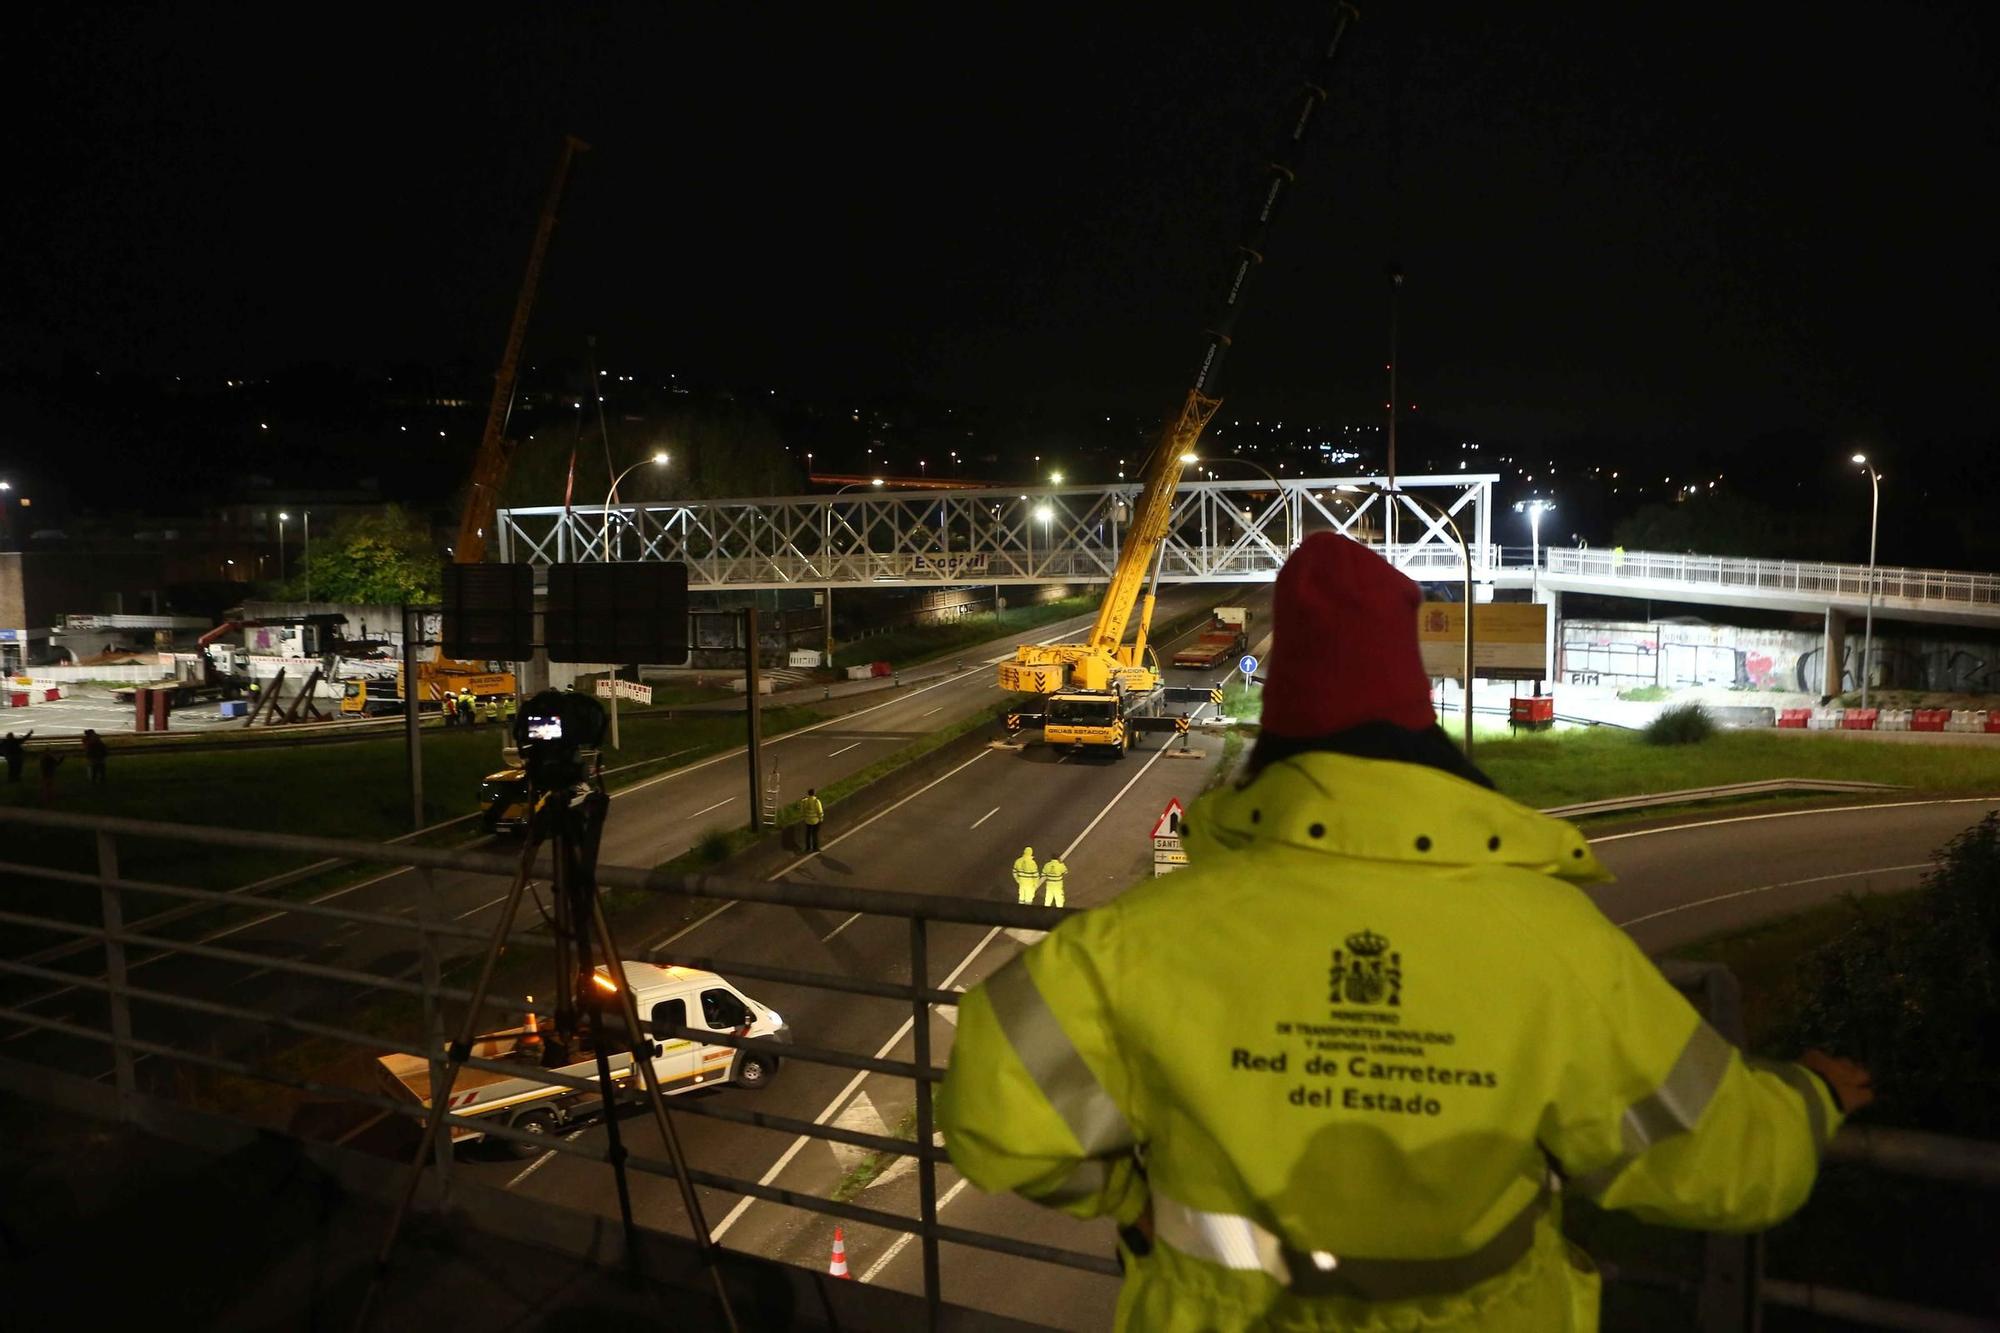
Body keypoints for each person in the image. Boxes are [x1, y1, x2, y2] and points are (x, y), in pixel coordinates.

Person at [940, 533, 1870, 1333]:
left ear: (1273, 745)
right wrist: (1810, 1098)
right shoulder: (1548, 942)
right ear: (1422, 734)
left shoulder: (1147, 939)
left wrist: (1130, 1198)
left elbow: (993, 1110)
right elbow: (1726, 1164)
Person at [801, 787, 825, 852]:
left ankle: (808, 848)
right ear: (814, 793)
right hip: (815, 820)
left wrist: (804, 817)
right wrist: (821, 818)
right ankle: (815, 848)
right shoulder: (816, 801)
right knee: (815, 834)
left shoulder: (805, 801)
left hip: (807, 820)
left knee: (808, 834)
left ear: (808, 793)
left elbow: (802, 810)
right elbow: (820, 811)